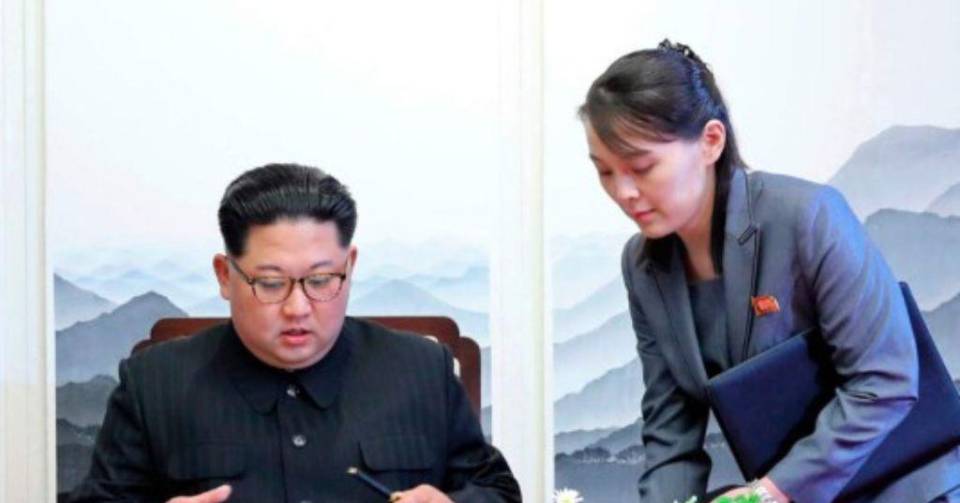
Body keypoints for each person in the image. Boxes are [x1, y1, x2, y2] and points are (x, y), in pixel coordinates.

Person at [579, 40, 960, 503]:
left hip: (909, 488)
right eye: (605, 172)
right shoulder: (642, 266)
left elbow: (885, 381)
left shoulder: (808, 216)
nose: (623, 192)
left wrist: (771, 493)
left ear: (711, 141)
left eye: (641, 167)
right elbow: (671, 431)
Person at [70, 164, 522, 503]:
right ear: (225, 275)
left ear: (350, 266)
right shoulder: (154, 383)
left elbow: (497, 490)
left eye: (321, 280)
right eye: (271, 283)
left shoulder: (421, 370)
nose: (298, 307)